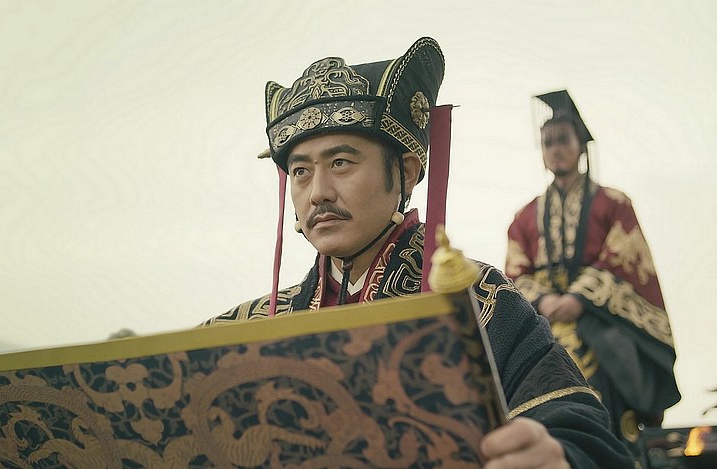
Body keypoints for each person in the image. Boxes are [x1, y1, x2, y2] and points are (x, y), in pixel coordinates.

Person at [204, 38, 632, 467]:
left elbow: (580, 431)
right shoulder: (247, 329)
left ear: (406, 171)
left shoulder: (480, 302)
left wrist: (557, 456)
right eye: (300, 171)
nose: (317, 193)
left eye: (340, 163)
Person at [505, 90, 681, 460]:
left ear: (581, 146)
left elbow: (623, 256)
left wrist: (579, 298)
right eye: (548, 142)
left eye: (563, 140)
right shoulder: (524, 216)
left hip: (600, 319)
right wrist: (545, 301)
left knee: (617, 396)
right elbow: (516, 271)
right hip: (543, 321)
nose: (555, 149)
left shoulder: (613, 203)